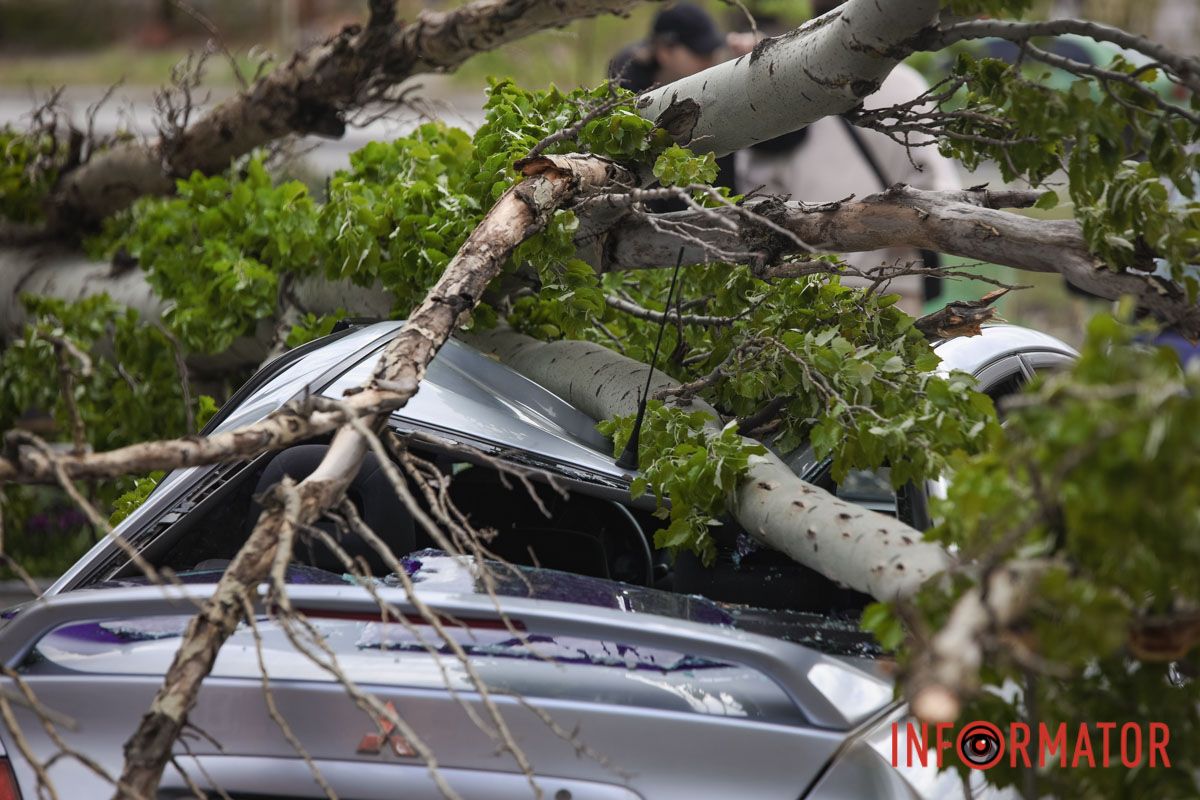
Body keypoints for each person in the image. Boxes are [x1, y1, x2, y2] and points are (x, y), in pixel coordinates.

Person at [729, 0, 963, 313]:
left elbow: (754, 187)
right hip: (892, 283)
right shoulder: (909, 86)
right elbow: (938, 191)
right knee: (894, 361)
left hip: (800, 283)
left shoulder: (784, 88)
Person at [608, 4, 734, 93]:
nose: (710, 61)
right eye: (701, 52)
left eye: (713, 50)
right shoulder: (627, 80)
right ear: (665, 52)